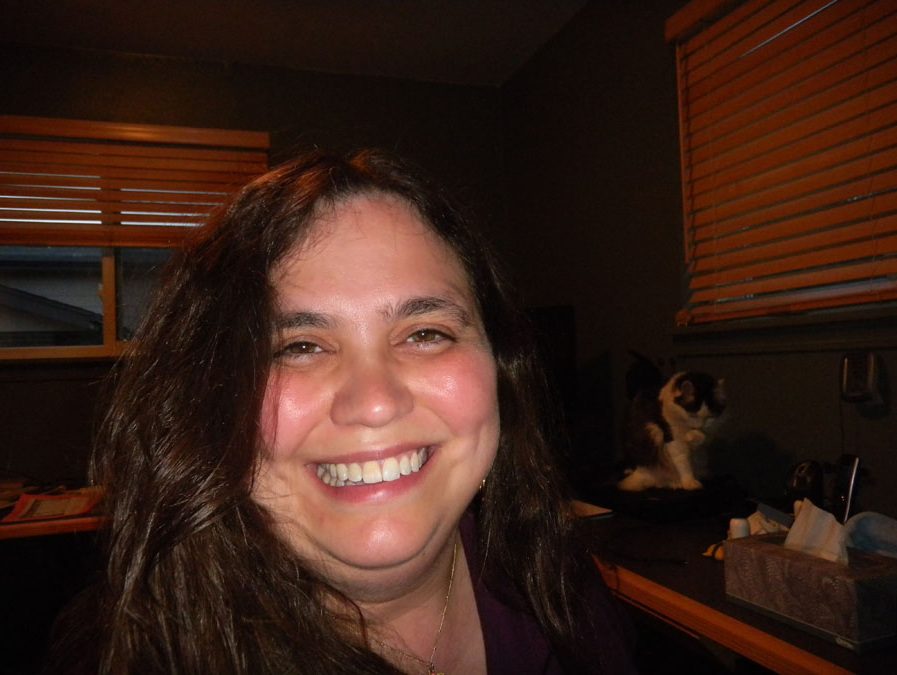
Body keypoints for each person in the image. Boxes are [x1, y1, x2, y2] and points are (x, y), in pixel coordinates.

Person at [46, 149, 637, 674]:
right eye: (299, 347)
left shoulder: (564, 591)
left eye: (425, 333)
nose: (375, 402)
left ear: (500, 372)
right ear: (207, 400)